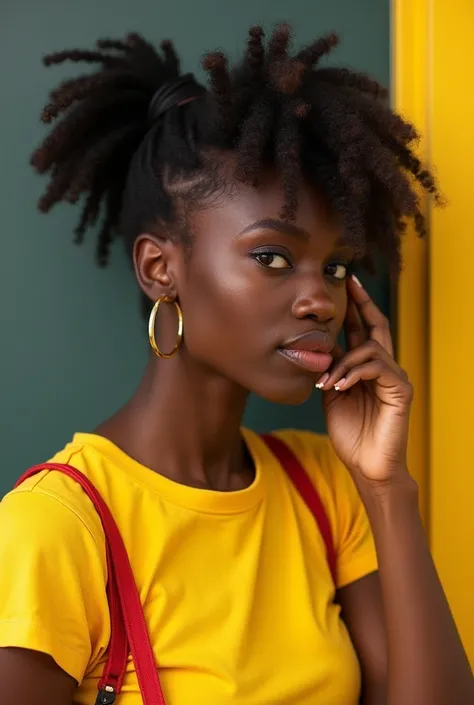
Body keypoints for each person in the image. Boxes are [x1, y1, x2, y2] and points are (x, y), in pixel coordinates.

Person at [0, 24, 472, 705]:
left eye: (336, 266)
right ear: (160, 268)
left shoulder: (325, 488)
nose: (321, 299)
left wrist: (387, 487)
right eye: (273, 257)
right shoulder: (58, 526)